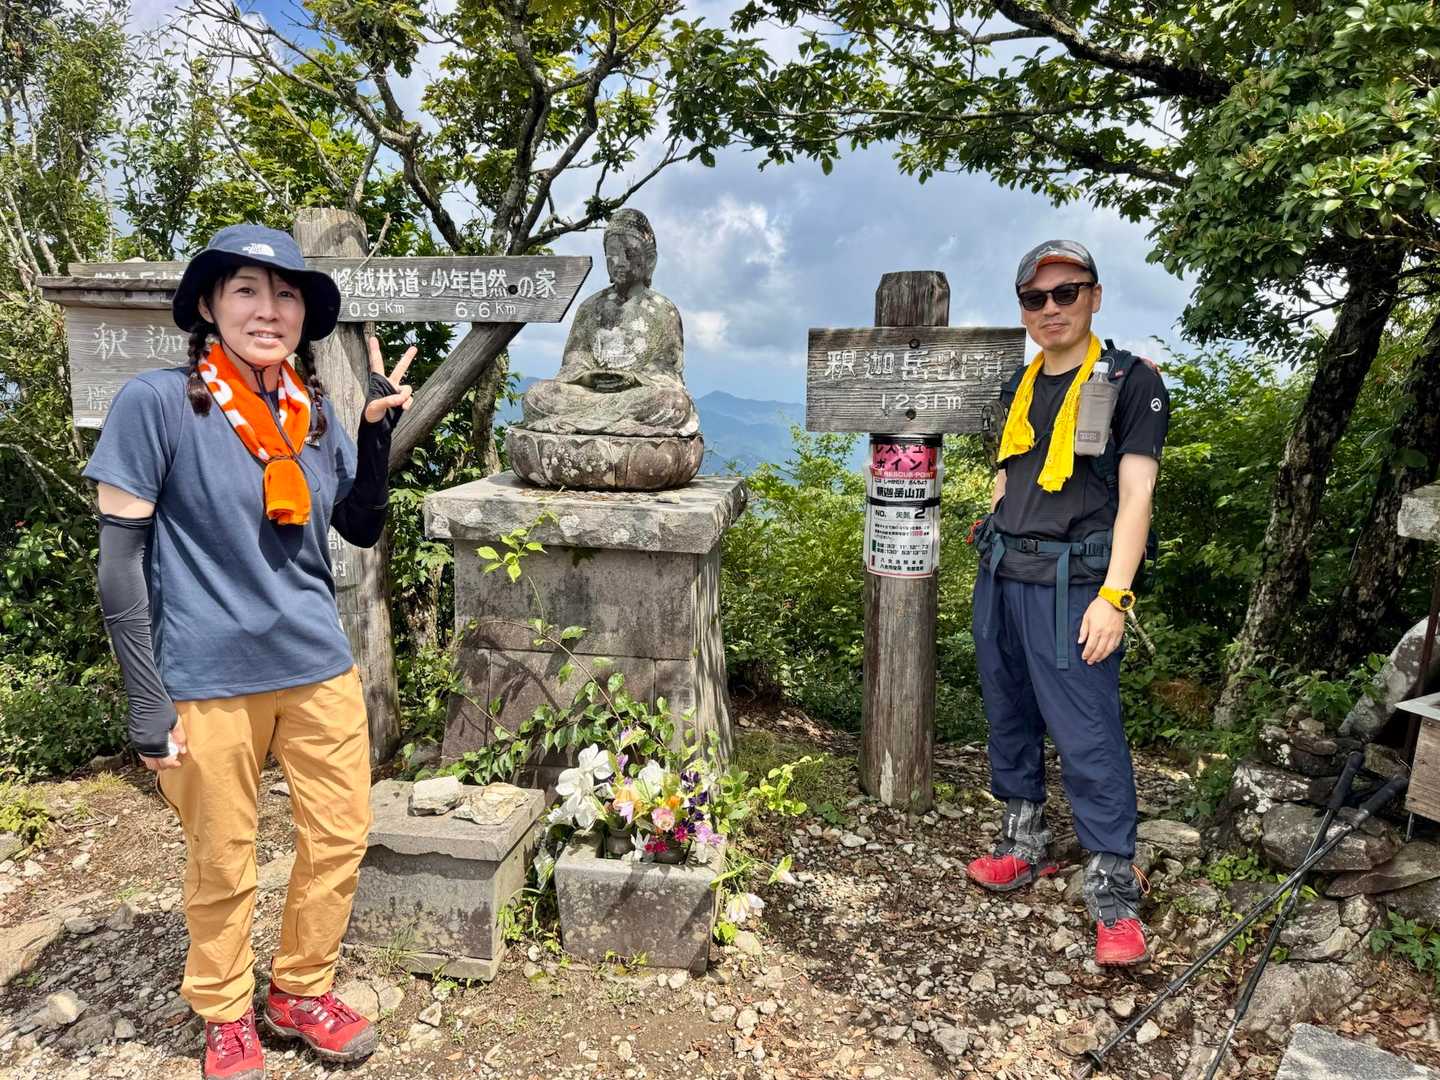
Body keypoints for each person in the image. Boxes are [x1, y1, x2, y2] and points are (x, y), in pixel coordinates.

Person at [84, 224, 415, 1079]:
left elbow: (358, 526)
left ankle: (299, 989)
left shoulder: (311, 413)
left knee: (340, 835)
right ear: (208, 305)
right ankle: (225, 1009)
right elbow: (119, 564)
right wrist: (147, 700)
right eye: (246, 291)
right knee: (223, 854)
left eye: (287, 294)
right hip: (207, 672)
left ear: (304, 314)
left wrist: (375, 436)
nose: (269, 311)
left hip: (315, 660)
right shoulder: (157, 403)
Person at [967, 240, 1169, 967]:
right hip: (1004, 573)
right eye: (1035, 297)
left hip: (1075, 585)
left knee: (1087, 732)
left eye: (1066, 292)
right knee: (1009, 712)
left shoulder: (1129, 382)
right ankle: (1023, 841)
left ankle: (1114, 891)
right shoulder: (1018, 389)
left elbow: (1137, 497)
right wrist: (994, 518)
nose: (1051, 308)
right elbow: (1007, 475)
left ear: (1094, 296)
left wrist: (1115, 596)